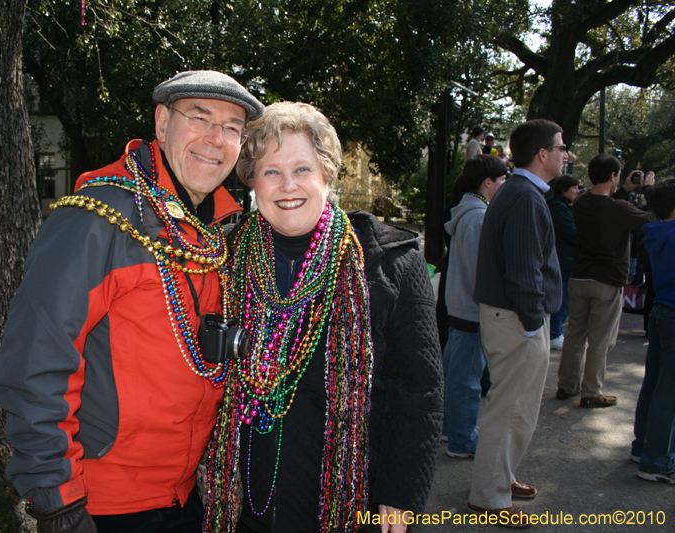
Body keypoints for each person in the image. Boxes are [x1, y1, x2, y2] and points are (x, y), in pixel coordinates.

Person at [0, 71, 264, 533]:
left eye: (233, 128)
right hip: (103, 505)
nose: (216, 140)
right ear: (161, 123)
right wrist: (57, 503)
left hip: (186, 496)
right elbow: (34, 366)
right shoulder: (95, 219)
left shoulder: (212, 233)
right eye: (200, 118)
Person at [202, 102, 443, 533]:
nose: (287, 185)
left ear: (327, 174)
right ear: (252, 181)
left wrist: (400, 495)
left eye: (302, 169)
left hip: (346, 502)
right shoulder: (224, 258)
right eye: (271, 171)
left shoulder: (388, 263)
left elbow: (420, 392)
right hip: (239, 504)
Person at [468, 119, 565, 527]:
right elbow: (525, 269)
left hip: (511, 316)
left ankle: (497, 482)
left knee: (510, 407)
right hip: (517, 318)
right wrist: (531, 324)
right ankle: (491, 498)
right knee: (510, 410)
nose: (566, 153)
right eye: (561, 147)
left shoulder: (520, 192)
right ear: (542, 154)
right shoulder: (525, 196)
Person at [556, 156, 657, 408]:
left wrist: (623, 191)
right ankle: (590, 392)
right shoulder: (619, 209)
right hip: (608, 280)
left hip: (579, 277)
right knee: (601, 339)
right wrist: (647, 189)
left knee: (575, 335)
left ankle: (566, 386)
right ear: (613, 175)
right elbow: (650, 219)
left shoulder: (580, 203)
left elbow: (605, 204)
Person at [442, 155, 506, 459]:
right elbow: (480, 270)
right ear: (489, 182)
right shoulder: (478, 217)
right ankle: (462, 439)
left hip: (460, 305)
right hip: (471, 307)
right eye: (502, 179)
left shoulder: (469, 213)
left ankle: (449, 429)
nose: (505, 185)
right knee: (466, 380)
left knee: (455, 374)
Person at [631, 178, 675, 484]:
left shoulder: (658, 233)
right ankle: (656, 460)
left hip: (662, 309)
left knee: (655, 382)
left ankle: (642, 446)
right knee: (669, 390)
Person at [547, 174, 580, 351]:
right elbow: (572, 233)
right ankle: (554, 333)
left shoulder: (562, 206)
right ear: (563, 190)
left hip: (563, 260)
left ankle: (555, 332)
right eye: (574, 187)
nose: (577, 191)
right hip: (563, 261)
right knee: (562, 299)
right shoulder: (559, 208)